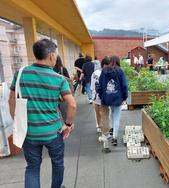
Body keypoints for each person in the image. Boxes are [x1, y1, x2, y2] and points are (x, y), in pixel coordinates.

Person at [8, 38, 77, 188]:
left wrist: (17, 122)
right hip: (53, 132)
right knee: (57, 163)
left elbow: (11, 100)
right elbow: (72, 105)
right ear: (51, 55)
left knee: (32, 167)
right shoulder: (58, 79)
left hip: (29, 132)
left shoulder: (20, 74)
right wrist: (68, 124)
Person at [97, 56, 128, 146]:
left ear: (110, 62)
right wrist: (125, 97)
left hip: (107, 98)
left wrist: (102, 95)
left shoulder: (104, 70)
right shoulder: (120, 71)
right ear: (118, 62)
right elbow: (124, 86)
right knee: (116, 116)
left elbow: (100, 85)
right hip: (118, 98)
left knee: (111, 114)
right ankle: (114, 137)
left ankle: (112, 131)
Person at [91, 57, 111, 153]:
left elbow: (92, 87)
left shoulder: (94, 73)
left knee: (98, 114)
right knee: (105, 116)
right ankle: (105, 135)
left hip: (95, 99)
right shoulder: (106, 74)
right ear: (104, 65)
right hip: (103, 100)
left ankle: (100, 128)